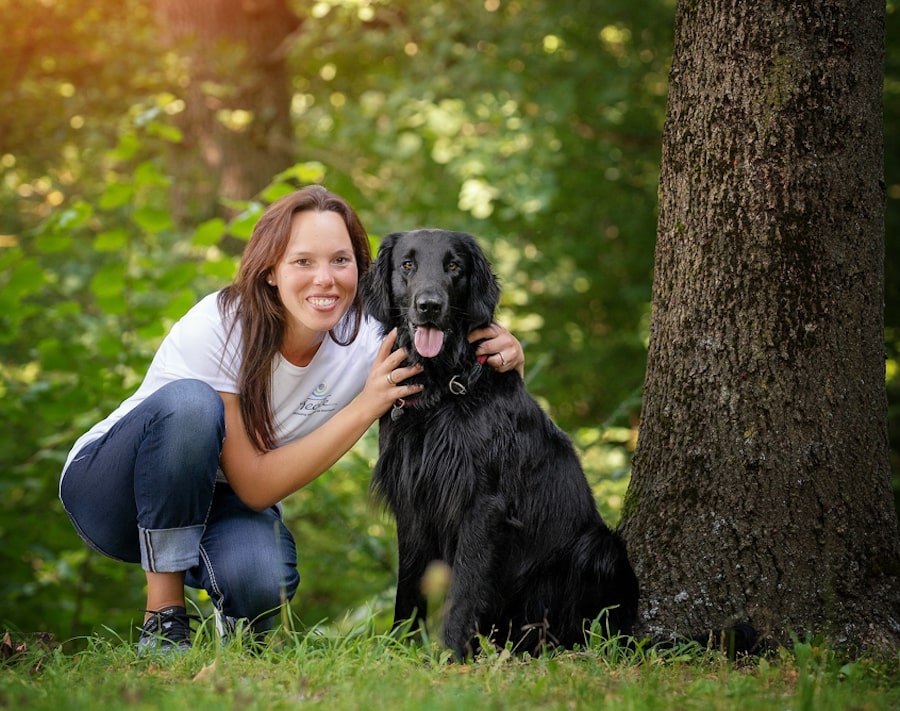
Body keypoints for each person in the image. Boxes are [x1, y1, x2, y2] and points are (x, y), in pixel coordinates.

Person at [58, 185, 524, 653]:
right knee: (191, 405)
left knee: (264, 581)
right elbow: (257, 487)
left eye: (340, 261)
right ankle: (163, 620)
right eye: (303, 261)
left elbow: (448, 350)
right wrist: (367, 404)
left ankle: (231, 622)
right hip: (115, 491)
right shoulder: (219, 325)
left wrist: (507, 354)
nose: (325, 279)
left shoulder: (367, 335)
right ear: (270, 271)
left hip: (218, 499)